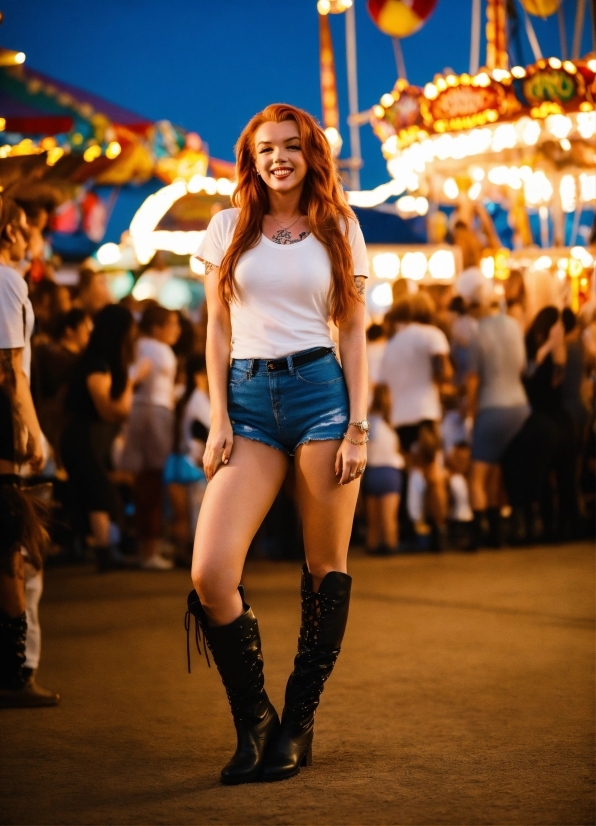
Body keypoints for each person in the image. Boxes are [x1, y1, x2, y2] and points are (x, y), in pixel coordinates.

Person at [186, 103, 369, 785]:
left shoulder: (339, 227)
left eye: (291, 147)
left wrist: (358, 425)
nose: (279, 158)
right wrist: (219, 418)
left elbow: (352, 334)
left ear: (309, 153)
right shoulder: (226, 227)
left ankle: (297, 719)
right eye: (266, 149)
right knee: (210, 572)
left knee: (325, 570)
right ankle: (254, 719)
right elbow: (215, 331)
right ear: (252, 157)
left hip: (323, 396)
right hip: (249, 404)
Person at [0, 195, 57, 705]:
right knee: (12, 553)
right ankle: (15, 672)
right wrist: (33, 434)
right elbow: (11, 370)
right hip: (5, 430)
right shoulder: (6, 282)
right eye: (23, 227)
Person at [61, 304, 147, 571]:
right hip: (84, 437)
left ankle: (102, 550)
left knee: (93, 490)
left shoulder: (97, 363)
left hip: (90, 437)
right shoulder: (97, 366)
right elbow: (113, 412)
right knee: (98, 490)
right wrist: (132, 382)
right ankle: (105, 553)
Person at [120, 304, 181, 570]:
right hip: (155, 412)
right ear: (157, 327)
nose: (176, 331)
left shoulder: (138, 345)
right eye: (171, 324)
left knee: (142, 479)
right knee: (152, 479)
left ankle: (145, 543)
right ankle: (149, 547)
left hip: (141, 410)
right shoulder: (156, 349)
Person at [465, 296, 530, 548]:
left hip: (493, 406)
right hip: (520, 406)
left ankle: (479, 533)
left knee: (478, 474)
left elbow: (473, 380)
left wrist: (471, 412)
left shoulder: (478, 332)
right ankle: (498, 532)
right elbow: (522, 367)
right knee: (497, 473)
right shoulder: (514, 326)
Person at [362, 383, 404, 555]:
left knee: (373, 523)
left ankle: (373, 548)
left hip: (371, 471)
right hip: (389, 473)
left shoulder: (367, 422)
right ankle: (390, 548)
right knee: (389, 520)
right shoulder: (393, 422)